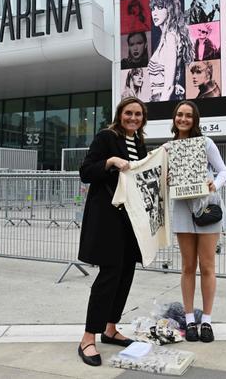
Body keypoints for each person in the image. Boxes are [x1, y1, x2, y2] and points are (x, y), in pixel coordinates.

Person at [77, 97, 148, 366]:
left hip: (131, 220)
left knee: (126, 273)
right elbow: (85, 172)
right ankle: (87, 338)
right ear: (120, 115)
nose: (133, 118)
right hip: (108, 219)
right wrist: (111, 161)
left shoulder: (139, 143)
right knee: (109, 275)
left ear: (143, 118)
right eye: (128, 113)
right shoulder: (106, 137)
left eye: (138, 114)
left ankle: (110, 328)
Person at [168, 100, 226, 343]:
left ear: (195, 120)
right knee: (187, 267)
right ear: (174, 118)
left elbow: (223, 170)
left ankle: (207, 322)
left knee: (207, 266)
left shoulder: (206, 143)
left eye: (188, 116)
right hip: (183, 209)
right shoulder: (169, 148)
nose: (183, 119)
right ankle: (190, 319)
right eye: (180, 115)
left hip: (207, 207)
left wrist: (215, 183)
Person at [148, 0, 194, 102]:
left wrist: (161, 112)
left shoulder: (170, 37)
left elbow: (168, 86)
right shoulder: (167, 37)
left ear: (170, 9)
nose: (154, 13)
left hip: (162, 99)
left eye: (160, 7)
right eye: (153, 8)